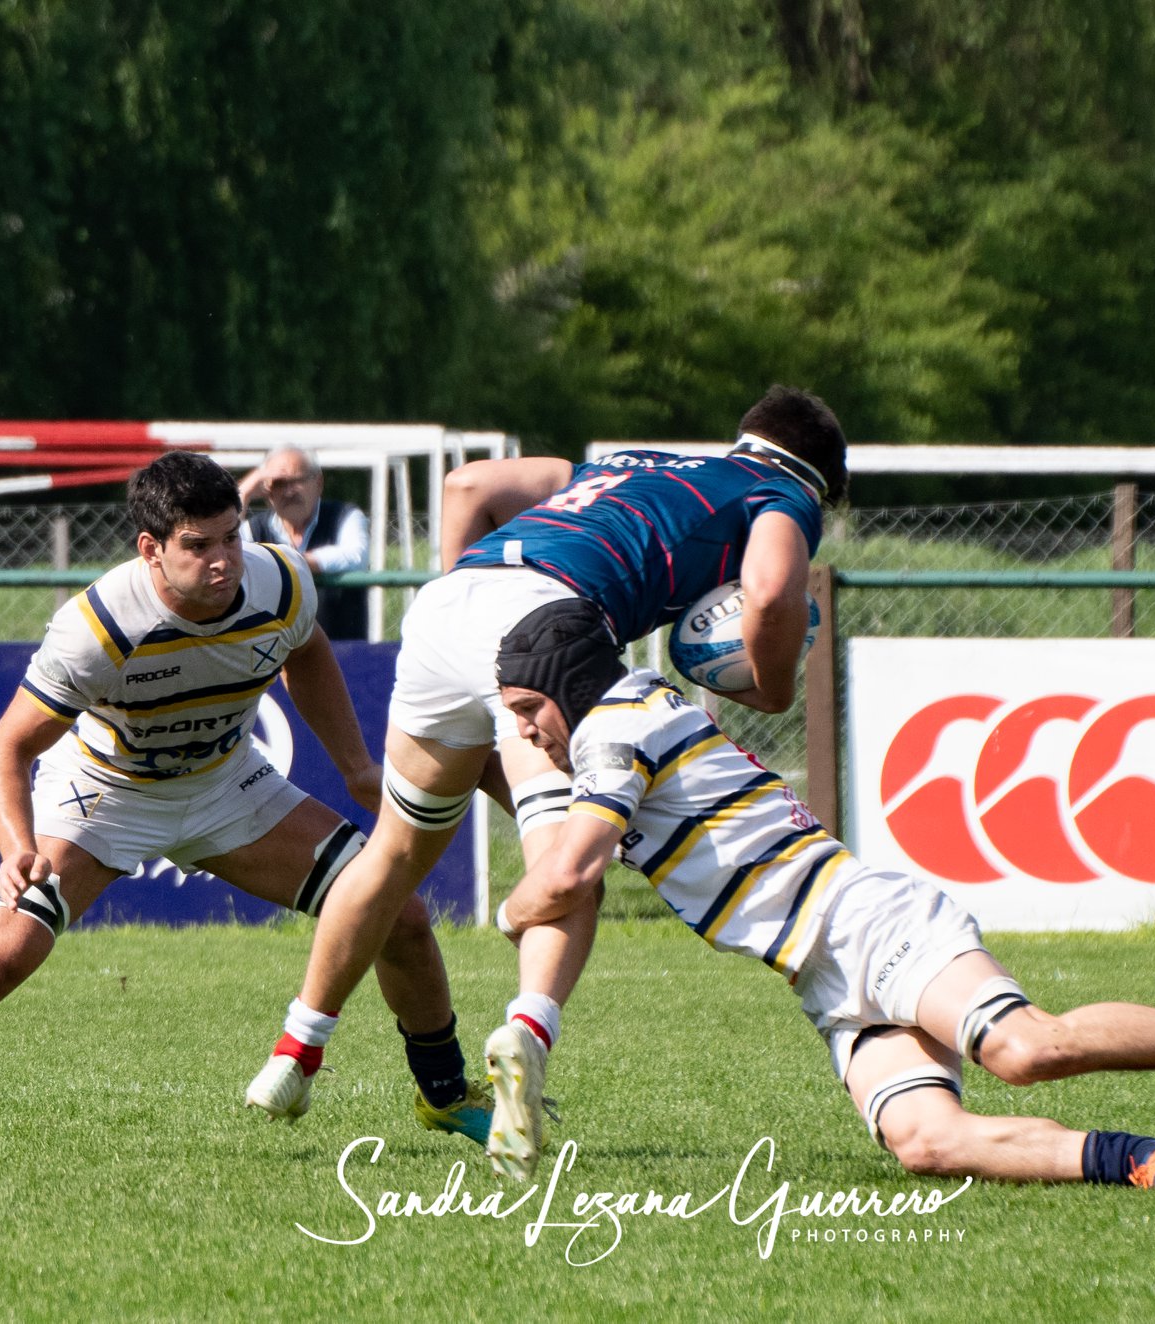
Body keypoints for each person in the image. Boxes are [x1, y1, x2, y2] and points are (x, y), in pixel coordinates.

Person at [477, 598, 1155, 1187]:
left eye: (527, 708)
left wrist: (509, 914)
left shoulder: (612, 731)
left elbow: (566, 875)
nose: (523, 731)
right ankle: (1142, 1160)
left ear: (567, 687)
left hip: (864, 920)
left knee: (1024, 1050)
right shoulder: (624, 717)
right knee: (924, 1142)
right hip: (821, 973)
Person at [0, 452, 490, 1164]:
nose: (223, 560)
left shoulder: (279, 579)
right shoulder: (97, 627)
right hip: (103, 794)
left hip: (226, 784)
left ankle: (444, 1096)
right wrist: (17, 846)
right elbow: (5, 751)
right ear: (151, 549)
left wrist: (354, 764)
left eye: (231, 537)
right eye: (197, 546)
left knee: (403, 916)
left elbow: (307, 650)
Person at [242, 386, 850, 1123]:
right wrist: (773, 687)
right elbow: (771, 589)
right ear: (823, 480)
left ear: (743, 435)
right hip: (546, 625)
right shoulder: (783, 490)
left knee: (393, 855)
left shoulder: (636, 462)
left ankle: (294, 1055)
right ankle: (526, 1035)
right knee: (569, 865)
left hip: (448, 608)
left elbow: (467, 484)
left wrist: (471, 615)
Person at [240, 446, 370, 640]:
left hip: (343, 651)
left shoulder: (345, 517)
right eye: (279, 483)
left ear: (318, 483)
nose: (289, 491)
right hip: (272, 653)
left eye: (297, 481)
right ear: (266, 489)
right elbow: (225, 553)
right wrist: (246, 491)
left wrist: (288, 562)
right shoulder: (254, 528)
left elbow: (356, 556)